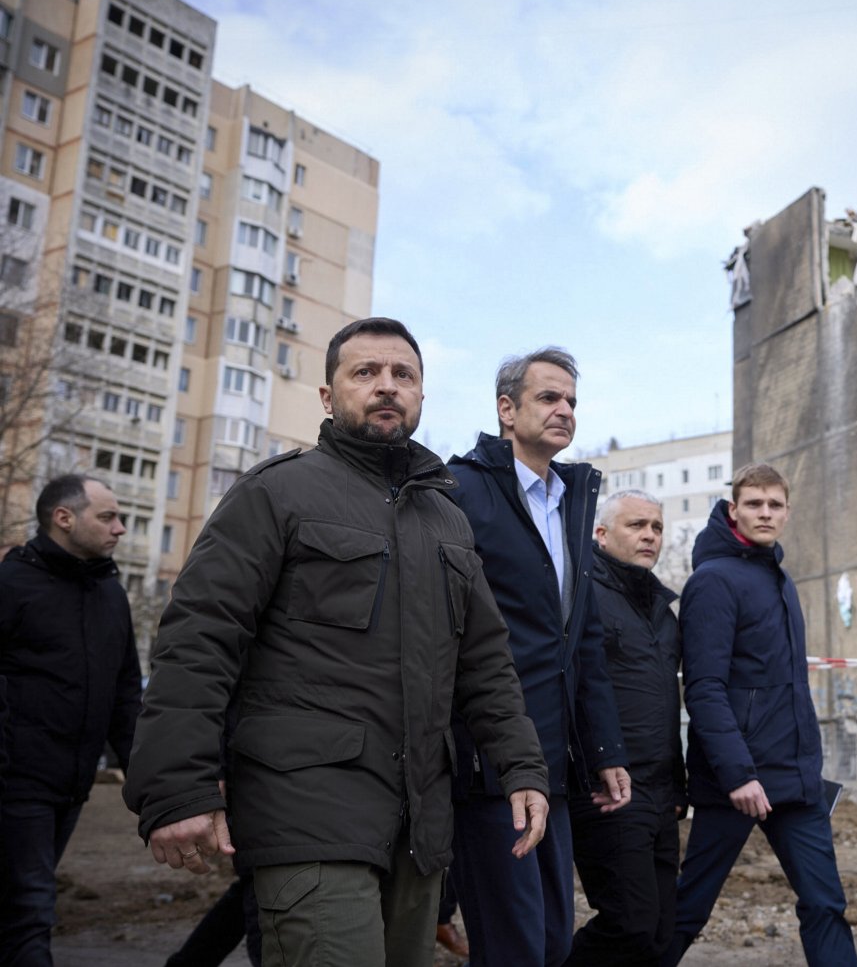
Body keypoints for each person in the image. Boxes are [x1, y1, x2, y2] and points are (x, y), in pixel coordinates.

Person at [124, 317, 548, 967]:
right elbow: (199, 638)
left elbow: (485, 661)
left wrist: (521, 765)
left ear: (422, 396)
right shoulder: (278, 493)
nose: (386, 386)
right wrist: (177, 786)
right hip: (307, 812)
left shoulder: (448, 520)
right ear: (328, 396)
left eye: (402, 374)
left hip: (420, 825)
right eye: (365, 372)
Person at [446, 347, 630, 966]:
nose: (564, 410)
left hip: (553, 763)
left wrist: (603, 750)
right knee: (513, 948)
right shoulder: (461, 491)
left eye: (572, 401)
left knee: (552, 943)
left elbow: (582, 645)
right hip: (487, 764)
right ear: (507, 409)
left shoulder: (571, 501)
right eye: (549, 397)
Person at [663, 464, 857, 967]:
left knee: (825, 904)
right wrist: (738, 774)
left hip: (795, 782)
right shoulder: (713, 581)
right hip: (736, 783)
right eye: (754, 504)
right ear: (734, 510)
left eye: (774, 505)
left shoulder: (780, 579)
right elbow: (704, 689)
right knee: (689, 910)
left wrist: (808, 768)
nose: (765, 513)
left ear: (788, 512)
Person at [0, 475, 141, 965]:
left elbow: (126, 695)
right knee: (31, 908)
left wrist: (150, 784)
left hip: (72, 784)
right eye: (107, 517)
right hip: (18, 782)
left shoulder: (110, 595)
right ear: (64, 518)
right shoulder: (12, 583)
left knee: (20, 907)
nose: (120, 529)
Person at [568, 490, 684, 966]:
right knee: (629, 923)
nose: (649, 536)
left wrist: (677, 786)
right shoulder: (582, 594)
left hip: (660, 792)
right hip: (610, 788)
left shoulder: (661, 608)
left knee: (660, 932)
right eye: (637, 525)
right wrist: (596, 763)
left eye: (656, 527)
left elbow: (665, 702)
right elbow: (571, 688)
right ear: (601, 533)